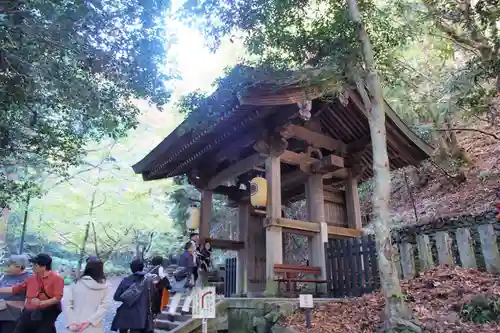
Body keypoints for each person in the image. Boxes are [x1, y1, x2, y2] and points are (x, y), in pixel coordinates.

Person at [0, 253, 64, 333]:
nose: (32, 266)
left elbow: (57, 298)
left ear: (43, 266)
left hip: (46, 312)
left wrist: (42, 303)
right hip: (29, 311)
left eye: (35, 265)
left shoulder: (57, 279)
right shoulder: (31, 278)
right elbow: (15, 289)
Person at [64, 258, 110, 333]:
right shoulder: (105, 287)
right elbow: (104, 306)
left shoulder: (76, 283)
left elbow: (67, 304)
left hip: (76, 325)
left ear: (87, 267)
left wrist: (72, 322)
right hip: (94, 327)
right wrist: (90, 321)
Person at [111, 259, 154, 333]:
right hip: (141, 316)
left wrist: (127, 297)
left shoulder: (126, 280)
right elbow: (152, 297)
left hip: (125, 315)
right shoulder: (149, 281)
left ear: (131, 269)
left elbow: (116, 297)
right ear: (142, 267)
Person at [0, 255, 31, 333]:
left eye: (9, 265)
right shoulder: (4, 276)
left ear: (19, 267)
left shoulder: (29, 278)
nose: (7, 266)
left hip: (13, 317)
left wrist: (8, 303)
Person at [167, 242, 196, 319]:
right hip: (186, 277)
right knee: (191, 293)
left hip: (179, 277)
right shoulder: (190, 256)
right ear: (189, 248)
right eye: (193, 247)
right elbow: (190, 268)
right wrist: (190, 279)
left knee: (177, 295)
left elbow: (180, 267)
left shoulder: (182, 255)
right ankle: (185, 309)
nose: (194, 248)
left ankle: (171, 312)